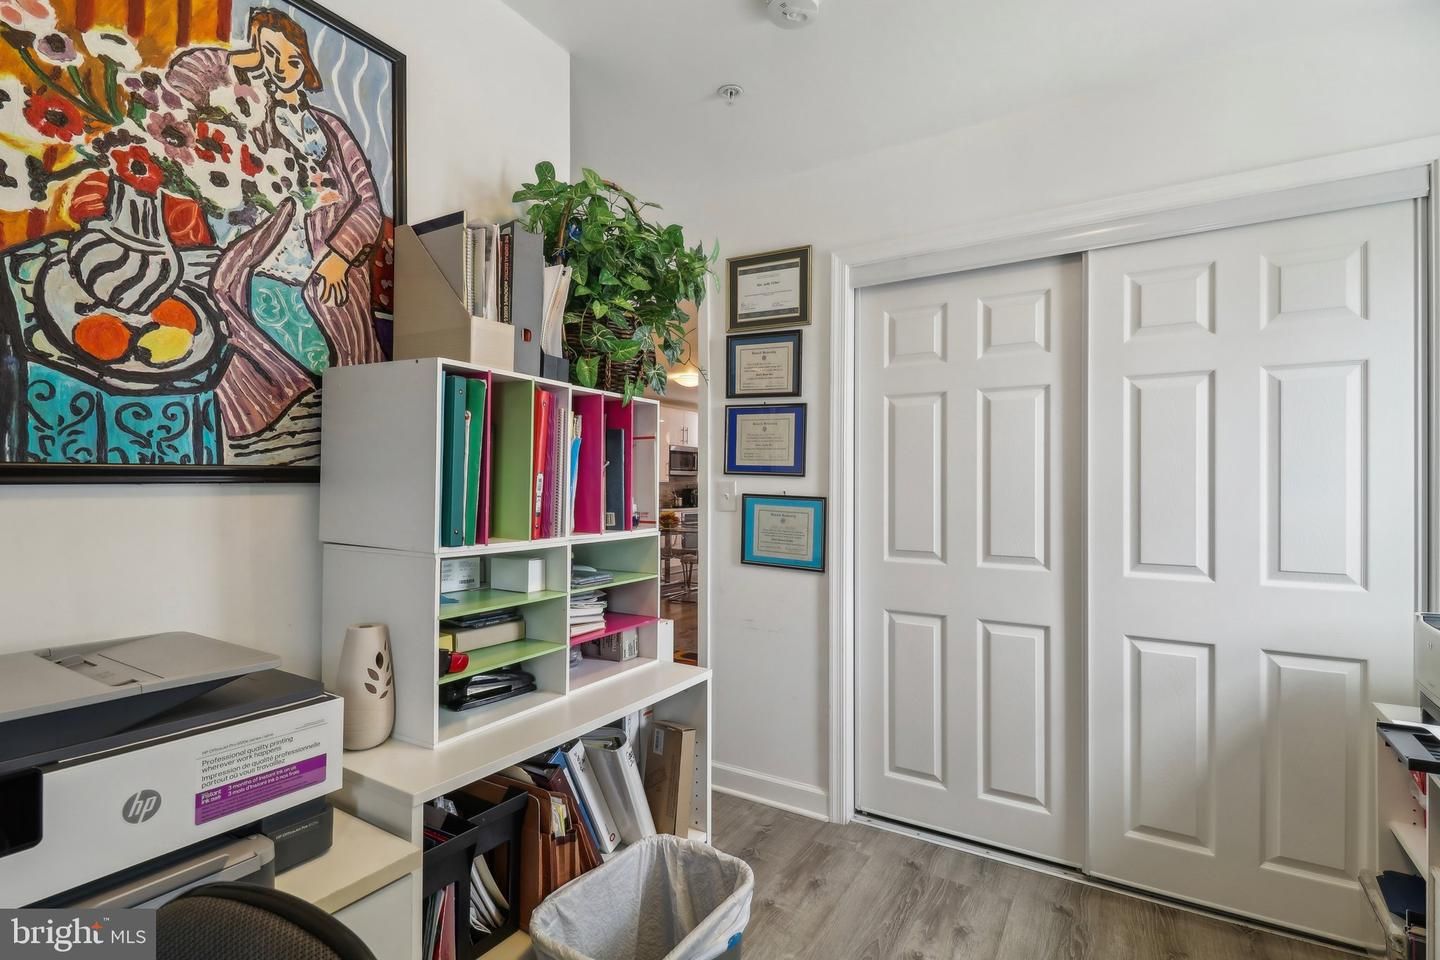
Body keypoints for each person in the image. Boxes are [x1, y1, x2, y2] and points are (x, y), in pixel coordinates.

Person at [166, 6, 384, 442]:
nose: (282, 69)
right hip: (260, 260)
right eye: (270, 55)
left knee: (348, 357)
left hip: (331, 265)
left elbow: (369, 204)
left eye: (293, 60)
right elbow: (182, 82)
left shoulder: (330, 127)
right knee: (250, 339)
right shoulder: (240, 114)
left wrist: (339, 256)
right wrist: (247, 60)